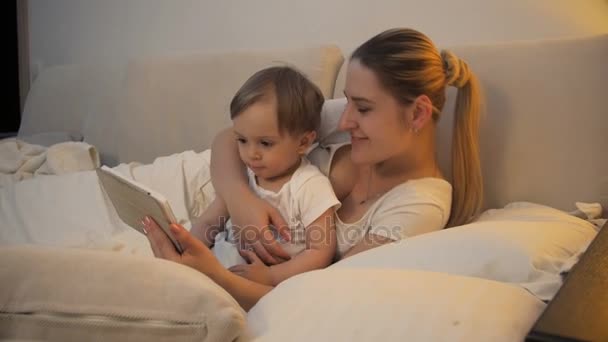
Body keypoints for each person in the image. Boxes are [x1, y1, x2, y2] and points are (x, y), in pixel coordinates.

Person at [144, 27, 483, 311]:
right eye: (348, 100)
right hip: (202, 184)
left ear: (418, 115)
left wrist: (212, 276)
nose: (345, 119)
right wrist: (240, 199)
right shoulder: (349, 120)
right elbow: (227, 138)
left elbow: (321, 297)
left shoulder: (418, 206)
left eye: (362, 108)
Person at [189, 66, 340, 285]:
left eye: (265, 143)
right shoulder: (244, 176)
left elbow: (321, 250)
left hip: (262, 279)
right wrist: (187, 247)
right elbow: (209, 221)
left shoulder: (309, 186)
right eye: (242, 140)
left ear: (303, 142)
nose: (251, 154)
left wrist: (272, 276)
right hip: (219, 263)